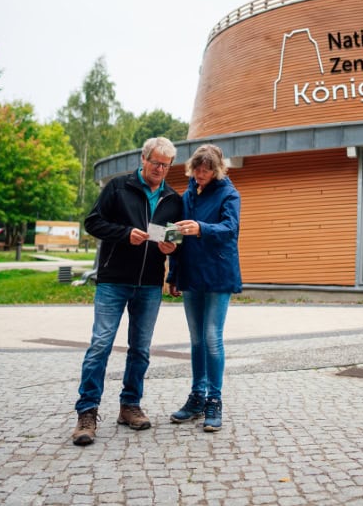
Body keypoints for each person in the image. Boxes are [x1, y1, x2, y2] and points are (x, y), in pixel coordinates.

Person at [71, 137, 183, 446]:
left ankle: (130, 405)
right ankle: (87, 412)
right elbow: (92, 222)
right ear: (143, 159)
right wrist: (123, 234)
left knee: (140, 350)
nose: (160, 169)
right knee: (100, 345)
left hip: (149, 284)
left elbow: (175, 241)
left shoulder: (173, 198)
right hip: (113, 280)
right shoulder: (118, 187)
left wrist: (171, 246)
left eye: (166, 165)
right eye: (156, 162)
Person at [167, 144, 242, 433]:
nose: (200, 174)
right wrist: (173, 274)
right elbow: (176, 236)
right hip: (190, 274)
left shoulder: (229, 194)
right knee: (196, 339)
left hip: (218, 274)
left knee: (212, 337)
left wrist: (201, 228)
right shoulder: (187, 195)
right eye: (197, 169)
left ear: (217, 169)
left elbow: (230, 229)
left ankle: (214, 400)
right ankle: (197, 397)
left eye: (206, 170)